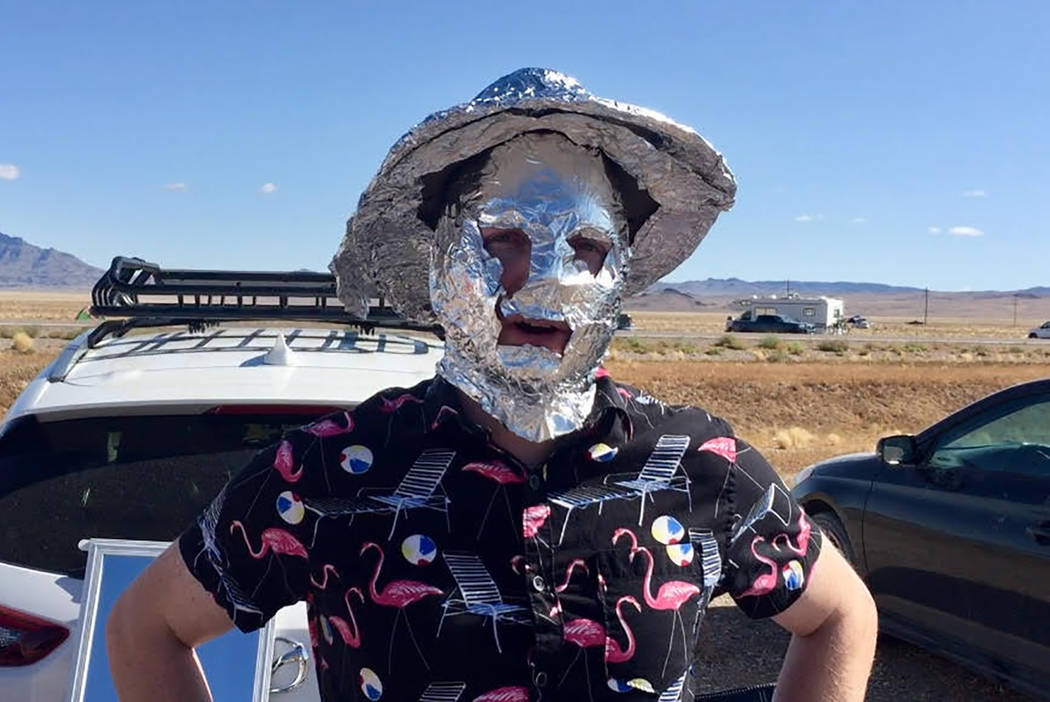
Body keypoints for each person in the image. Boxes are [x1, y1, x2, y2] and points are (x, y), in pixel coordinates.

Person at [107, 68, 877, 702]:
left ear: (618, 277)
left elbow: (842, 615)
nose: (544, 276)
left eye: (585, 245)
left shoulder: (698, 463)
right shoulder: (329, 471)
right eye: (504, 238)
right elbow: (145, 629)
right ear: (444, 263)